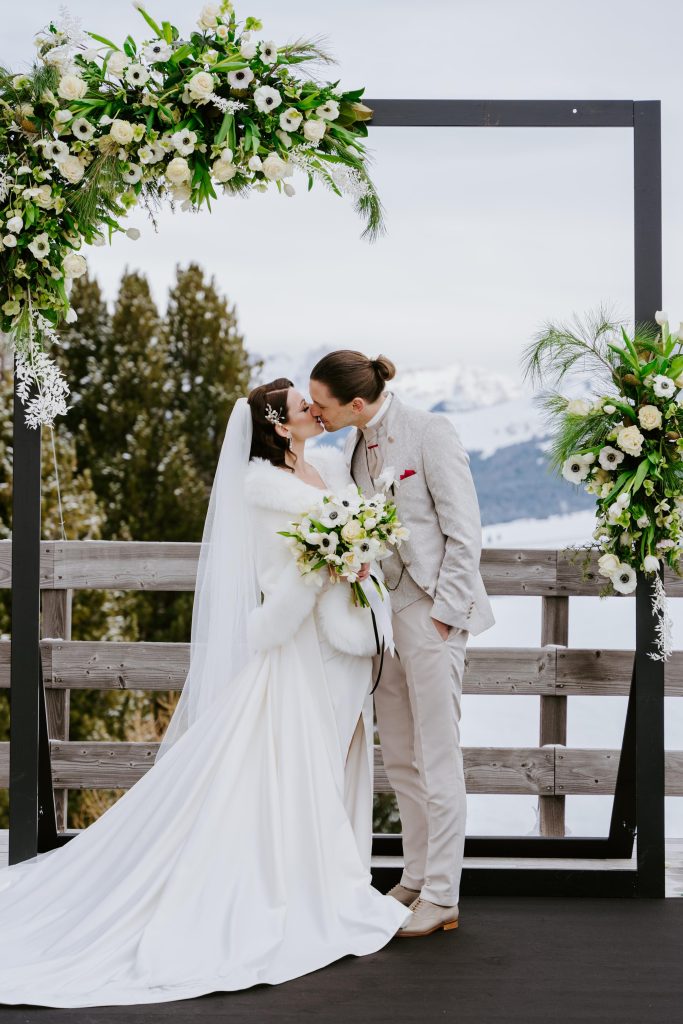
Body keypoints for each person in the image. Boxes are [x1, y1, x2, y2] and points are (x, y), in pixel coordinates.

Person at [0, 378, 410, 1008]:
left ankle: (334, 871)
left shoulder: (329, 466)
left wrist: (357, 557)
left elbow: (353, 533)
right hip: (297, 646)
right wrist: (330, 560)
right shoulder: (261, 491)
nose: (313, 411)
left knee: (336, 756)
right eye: (304, 407)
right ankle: (301, 885)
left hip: (344, 642)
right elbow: (276, 573)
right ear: (280, 425)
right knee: (289, 764)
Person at [309, 351, 495, 937]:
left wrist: (444, 618)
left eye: (323, 404)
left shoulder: (429, 431)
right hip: (383, 621)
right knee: (402, 758)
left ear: (356, 404)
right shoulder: (353, 447)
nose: (316, 412)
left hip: (431, 616)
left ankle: (444, 895)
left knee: (439, 756)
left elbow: (465, 531)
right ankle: (416, 876)